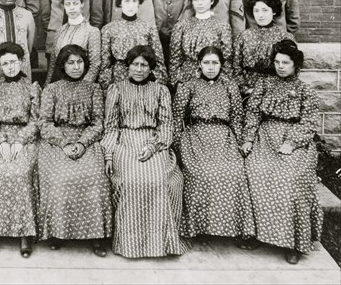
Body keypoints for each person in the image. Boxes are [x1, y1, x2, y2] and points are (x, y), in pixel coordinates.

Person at [103, 45, 190, 258]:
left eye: (144, 65)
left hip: (154, 141)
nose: (139, 69)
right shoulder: (117, 89)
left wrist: (153, 146)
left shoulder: (160, 90)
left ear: (151, 69)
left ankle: (159, 243)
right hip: (125, 140)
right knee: (131, 181)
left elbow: (167, 125)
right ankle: (129, 244)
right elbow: (111, 126)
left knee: (159, 180)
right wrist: (108, 153)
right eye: (135, 64)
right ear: (128, 66)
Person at [241, 40, 322, 264]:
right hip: (264, 138)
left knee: (289, 179)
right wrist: (248, 138)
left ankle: (293, 242)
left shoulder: (305, 91)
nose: (280, 66)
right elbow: (253, 113)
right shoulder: (264, 85)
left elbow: (309, 122)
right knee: (253, 172)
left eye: (285, 63)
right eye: (277, 62)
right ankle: (258, 234)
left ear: (295, 65)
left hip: (292, 140)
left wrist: (293, 141)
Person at [172, 46, 254, 243]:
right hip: (196, 137)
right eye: (206, 63)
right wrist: (177, 145)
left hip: (223, 137)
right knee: (200, 173)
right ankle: (198, 228)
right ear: (199, 64)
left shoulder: (230, 86)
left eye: (215, 63)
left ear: (221, 65)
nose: (211, 67)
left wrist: (242, 141)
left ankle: (235, 229)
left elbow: (236, 117)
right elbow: (176, 118)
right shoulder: (188, 85)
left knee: (234, 172)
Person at [38, 45, 112, 256]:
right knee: (60, 178)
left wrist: (82, 143)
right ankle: (57, 232)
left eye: (79, 62)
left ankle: (96, 235)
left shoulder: (94, 89)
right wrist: (64, 143)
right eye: (70, 62)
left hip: (86, 140)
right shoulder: (52, 89)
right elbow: (45, 123)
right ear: (63, 65)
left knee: (95, 177)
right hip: (58, 141)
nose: (76, 67)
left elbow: (98, 123)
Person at [0, 42, 41, 258]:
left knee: (21, 172)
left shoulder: (32, 87)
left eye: (13, 62)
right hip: (0, 138)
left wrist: (20, 140)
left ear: (21, 61)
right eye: (4, 63)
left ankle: (25, 233)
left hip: (25, 137)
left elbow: (37, 121)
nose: (9, 67)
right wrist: (0, 142)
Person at [99, 0, 166, 90]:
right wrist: (107, 86)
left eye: (134, 1)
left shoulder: (149, 28)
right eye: (127, 1)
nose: (131, 6)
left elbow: (158, 59)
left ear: (139, 3)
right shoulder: (109, 29)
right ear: (120, 3)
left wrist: (158, 84)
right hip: (119, 79)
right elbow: (105, 63)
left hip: (144, 77)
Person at [169, 0, 233, 89]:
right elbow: (175, 58)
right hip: (187, 78)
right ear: (191, 2)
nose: (200, 3)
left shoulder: (222, 26)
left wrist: (224, 82)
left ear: (212, 0)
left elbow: (226, 59)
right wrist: (177, 81)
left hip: (214, 77)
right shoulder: (181, 26)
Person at [232, 0, 294, 97]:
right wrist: (245, 89)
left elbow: (292, 68)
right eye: (256, 11)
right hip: (248, 90)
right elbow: (235, 66)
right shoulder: (244, 37)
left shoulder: (285, 37)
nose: (260, 15)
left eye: (265, 10)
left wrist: (281, 89)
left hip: (277, 91)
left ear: (273, 11)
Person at [46, 0, 101, 84]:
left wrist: (83, 87)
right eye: (68, 4)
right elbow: (53, 63)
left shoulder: (91, 31)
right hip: (60, 84)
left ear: (82, 4)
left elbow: (95, 65)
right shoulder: (60, 31)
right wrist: (47, 85)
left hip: (82, 84)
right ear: (64, 6)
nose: (71, 7)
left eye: (75, 3)